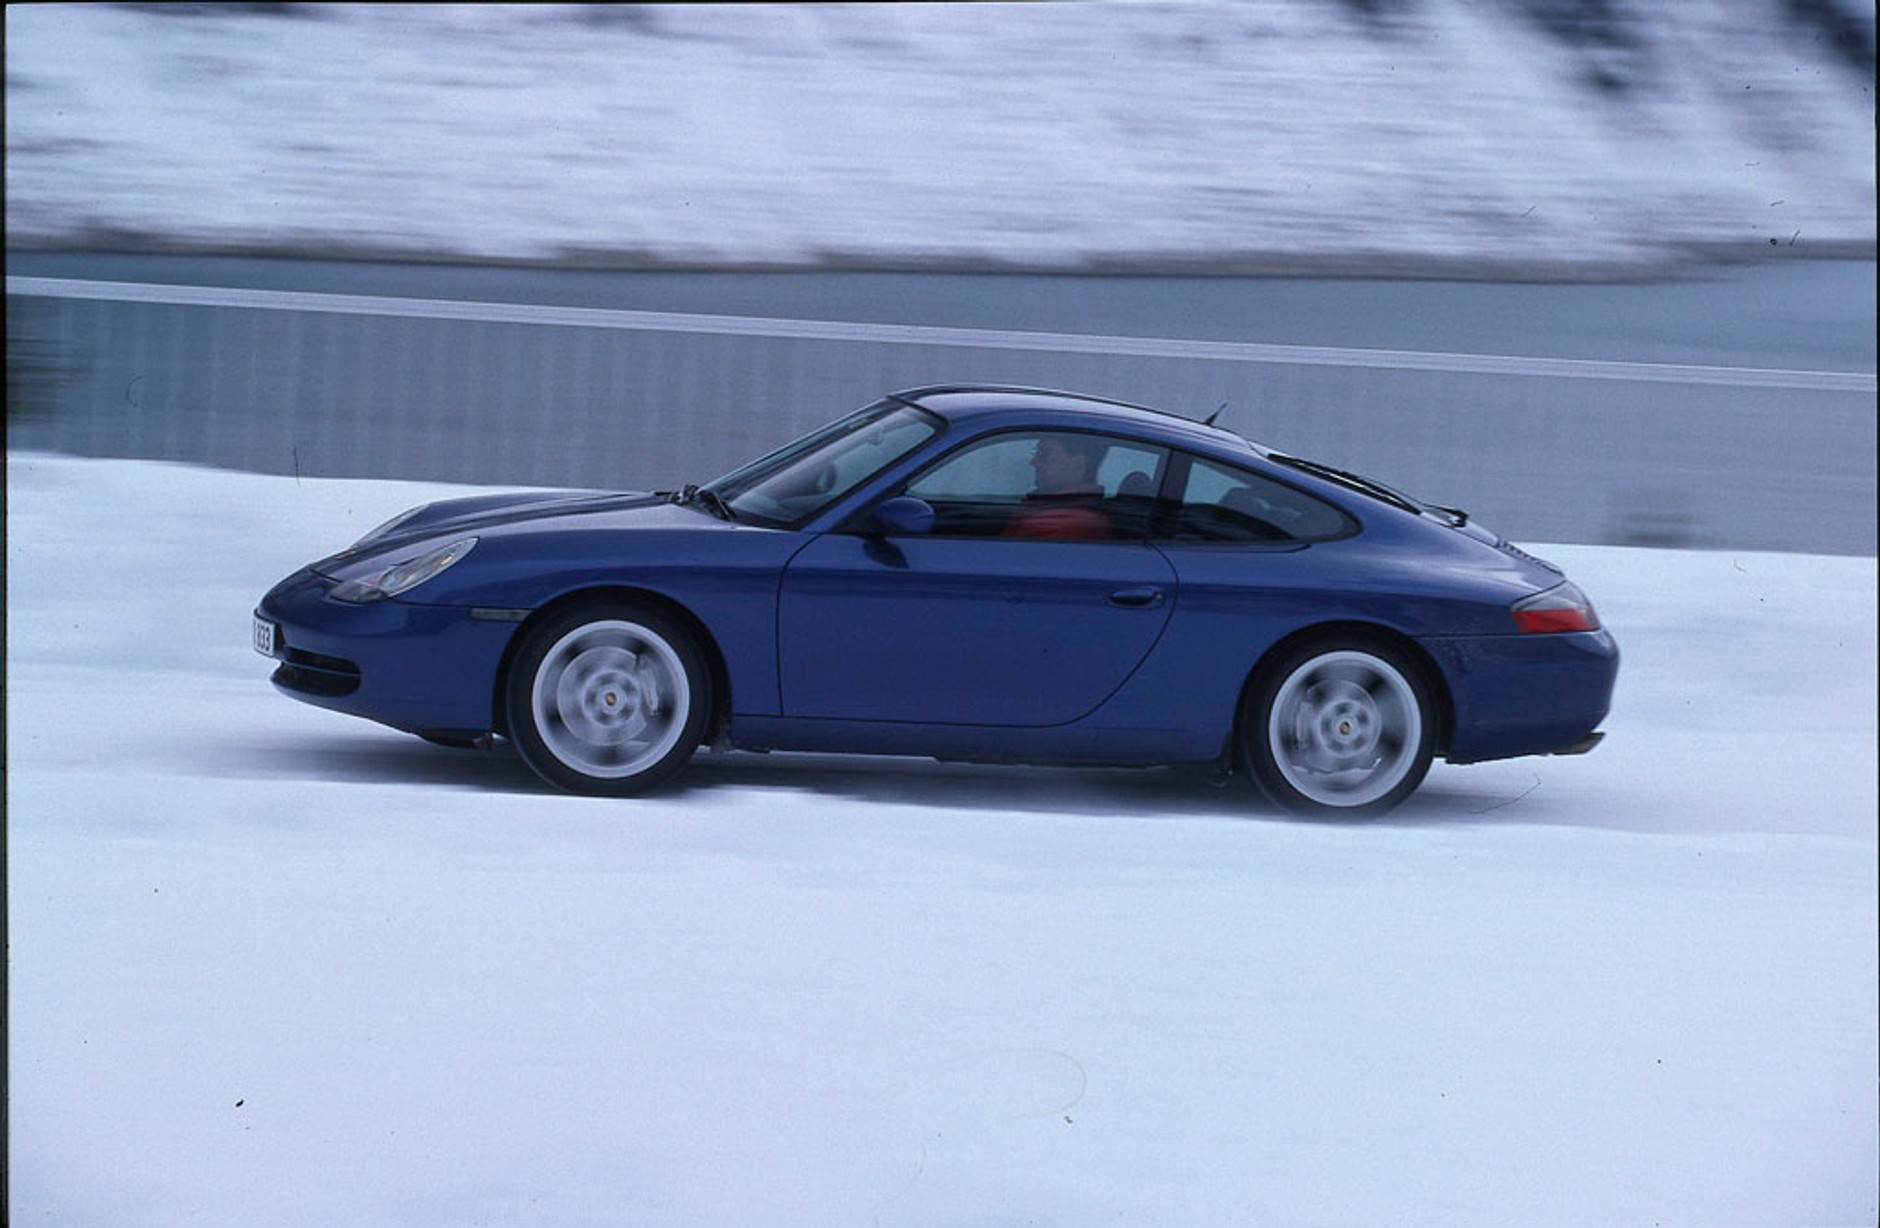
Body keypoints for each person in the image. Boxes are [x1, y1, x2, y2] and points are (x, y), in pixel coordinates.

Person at [1006, 434, 1111, 540]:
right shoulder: (1050, 507)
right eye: (1035, 454)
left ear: (1078, 464)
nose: (1033, 462)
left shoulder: (1064, 525)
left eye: (1044, 455)